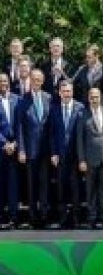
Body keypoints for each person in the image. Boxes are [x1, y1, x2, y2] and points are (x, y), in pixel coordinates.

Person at [17, 68, 52, 228]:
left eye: (39, 80)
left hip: (45, 151)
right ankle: (32, 216)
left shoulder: (49, 98)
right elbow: (20, 127)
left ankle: (44, 216)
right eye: (34, 79)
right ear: (29, 80)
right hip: (30, 150)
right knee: (32, 185)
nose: (36, 82)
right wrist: (22, 149)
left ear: (42, 81)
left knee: (44, 183)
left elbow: (52, 126)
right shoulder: (22, 100)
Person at [50, 79, 84, 228]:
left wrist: (82, 157)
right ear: (59, 93)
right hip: (60, 156)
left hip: (76, 156)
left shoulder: (80, 108)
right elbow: (51, 134)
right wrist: (54, 153)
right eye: (63, 91)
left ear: (72, 92)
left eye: (69, 91)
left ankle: (76, 218)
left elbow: (83, 134)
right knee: (61, 188)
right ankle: (63, 218)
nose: (66, 94)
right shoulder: (54, 109)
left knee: (76, 187)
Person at [77, 86, 103, 229]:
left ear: (100, 98)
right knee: (90, 191)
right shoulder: (82, 114)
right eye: (92, 97)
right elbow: (79, 139)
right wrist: (81, 159)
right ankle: (91, 218)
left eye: (97, 97)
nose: (94, 99)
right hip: (89, 159)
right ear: (88, 98)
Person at [0, 73, 20, 228]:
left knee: (13, 184)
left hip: (15, 149)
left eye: (5, 81)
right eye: (0, 81)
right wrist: (5, 143)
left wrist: (15, 144)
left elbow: (21, 124)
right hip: (1, 148)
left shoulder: (17, 99)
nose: (3, 83)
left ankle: (14, 217)